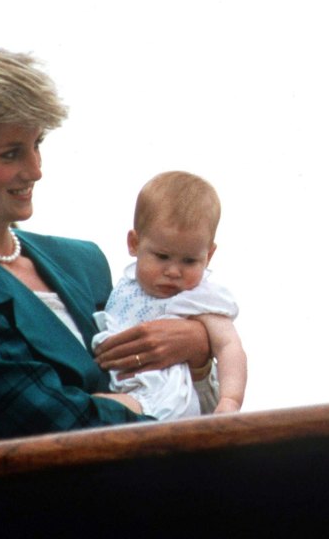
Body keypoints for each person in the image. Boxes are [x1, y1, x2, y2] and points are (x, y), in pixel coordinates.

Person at [0, 44, 214, 449]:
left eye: (37, 144)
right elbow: (40, 423)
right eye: (11, 153)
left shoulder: (83, 262)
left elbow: (197, 405)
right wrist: (146, 408)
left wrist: (198, 349)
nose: (36, 170)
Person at [92, 171, 246, 417]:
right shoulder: (127, 285)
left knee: (94, 410)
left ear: (208, 255)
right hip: (121, 382)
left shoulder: (199, 297)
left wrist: (230, 400)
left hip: (167, 398)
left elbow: (229, 346)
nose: (174, 271)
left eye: (189, 260)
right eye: (162, 256)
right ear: (134, 244)